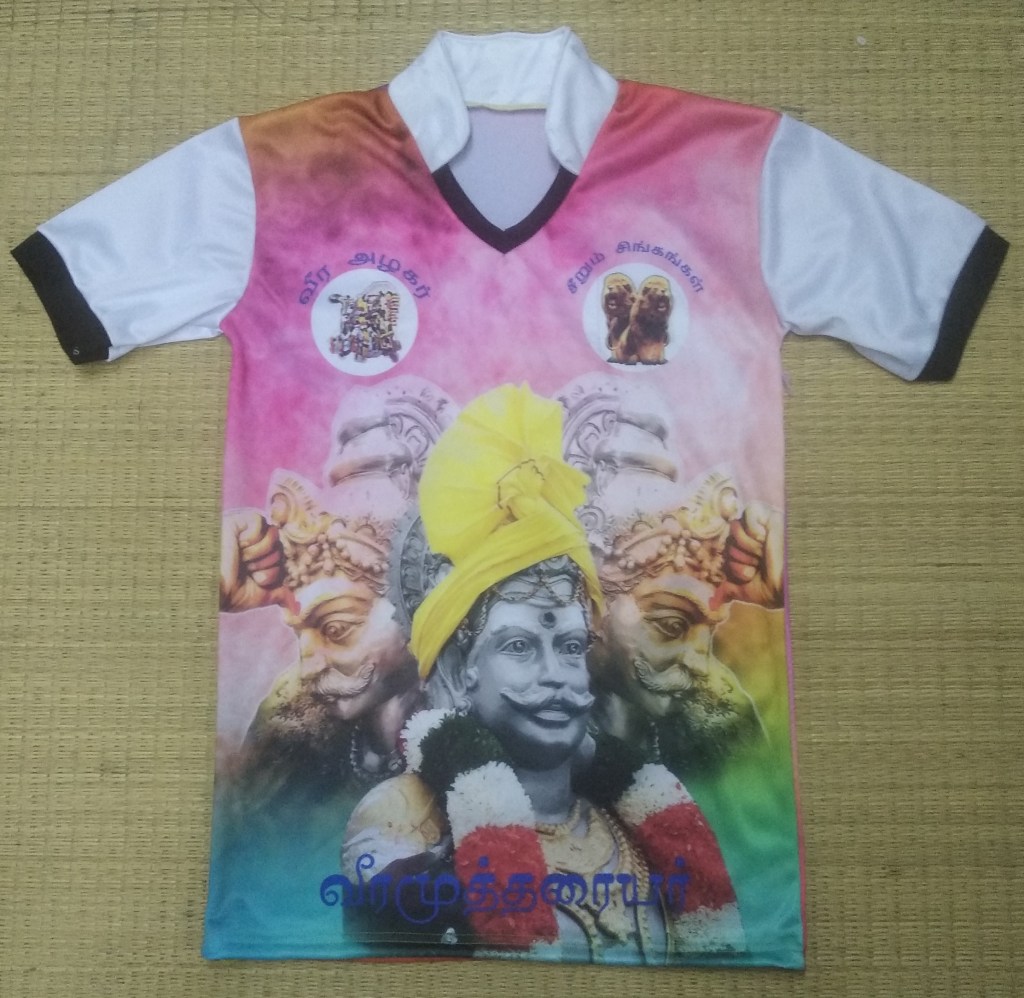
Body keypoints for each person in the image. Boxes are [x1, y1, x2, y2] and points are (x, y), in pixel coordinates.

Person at [337, 385, 743, 963]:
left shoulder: (634, 818)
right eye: (520, 646)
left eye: (571, 646)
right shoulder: (405, 817)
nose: (557, 676)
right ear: (459, 670)